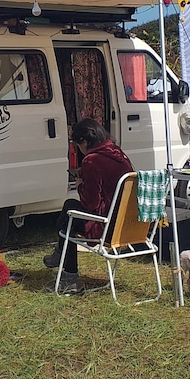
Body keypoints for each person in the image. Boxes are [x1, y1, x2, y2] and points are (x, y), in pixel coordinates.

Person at [44, 118, 134, 293]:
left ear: (84, 141)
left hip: (107, 227)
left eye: (78, 145)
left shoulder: (91, 161)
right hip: (127, 225)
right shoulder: (118, 153)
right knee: (68, 213)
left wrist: (80, 184)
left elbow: (91, 203)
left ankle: (69, 274)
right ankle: (60, 255)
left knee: (68, 213)